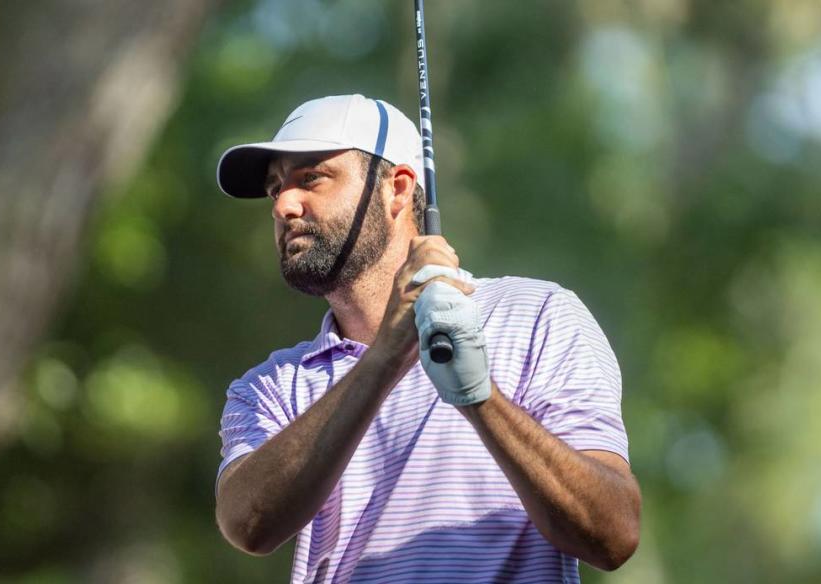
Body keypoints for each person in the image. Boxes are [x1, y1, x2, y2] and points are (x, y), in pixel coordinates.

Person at [214, 94, 641, 583]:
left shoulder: (538, 315)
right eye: (274, 189)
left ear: (396, 189)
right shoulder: (269, 386)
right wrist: (386, 355)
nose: (284, 205)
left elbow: (612, 535)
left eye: (311, 178)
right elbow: (248, 525)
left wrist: (480, 397)